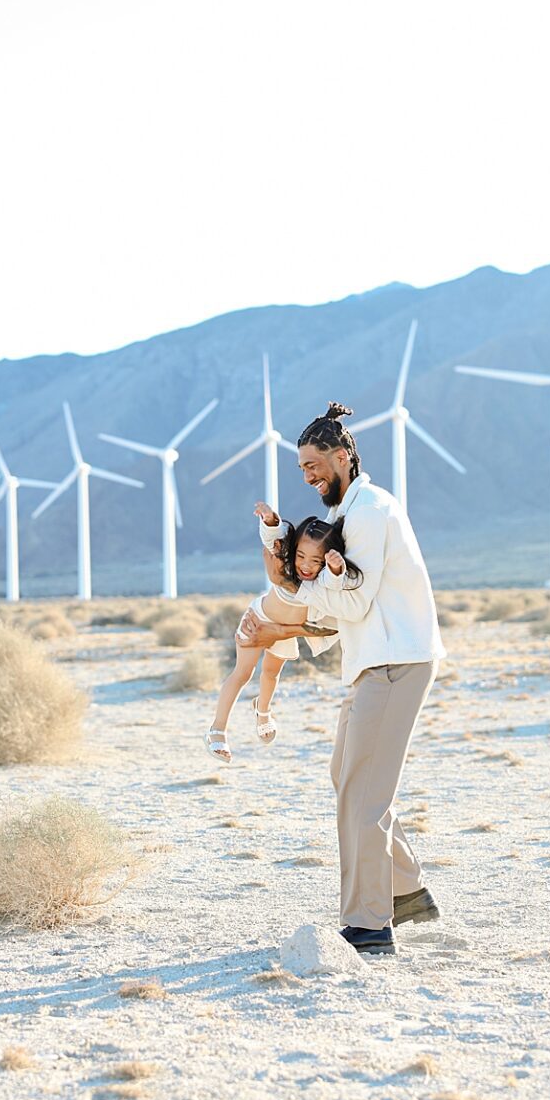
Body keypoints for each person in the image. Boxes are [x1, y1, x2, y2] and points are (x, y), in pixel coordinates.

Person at [236, 405, 445, 956]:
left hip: (396, 662)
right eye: (301, 467)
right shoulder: (349, 516)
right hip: (373, 662)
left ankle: (369, 922)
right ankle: (406, 890)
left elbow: (352, 601)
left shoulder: (370, 513)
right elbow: (339, 610)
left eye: (315, 464)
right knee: (347, 775)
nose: (308, 475)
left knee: (362, 792)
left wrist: (283, 621)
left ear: (344, 456)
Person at [208, 518, 353, 761]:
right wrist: (270, 521)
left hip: (283, 630)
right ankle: (217, 730)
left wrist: (337, 569)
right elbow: (272, 540)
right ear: (294, 551)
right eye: (301, 557)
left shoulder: (319, 584)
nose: (306, 566)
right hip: (258, 620)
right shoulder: (285, 569)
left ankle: (262, 711)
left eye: (316, 561)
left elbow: (334, 582)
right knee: (242, 674)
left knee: (271, 673)